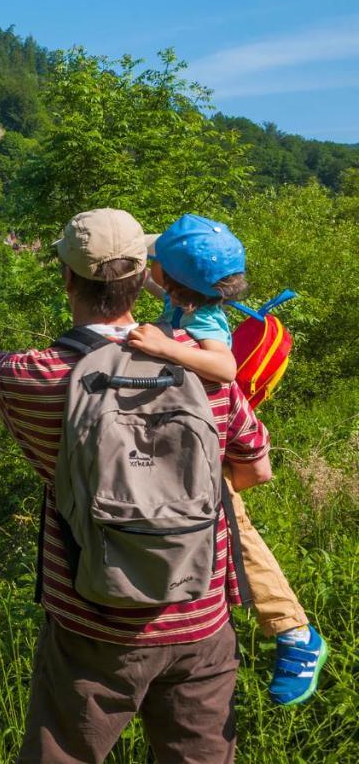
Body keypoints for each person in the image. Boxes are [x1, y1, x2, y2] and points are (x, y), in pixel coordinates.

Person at [0, 208, 272, 763]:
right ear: (145, 278)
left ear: (68, 278)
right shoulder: (206, 373)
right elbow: (257, 468)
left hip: (94, 621)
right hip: (201, 616)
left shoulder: (34, 379)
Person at [127, 214, 327, 706]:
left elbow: (224, 366)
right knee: (230, 528)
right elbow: (159, 288)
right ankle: (285, 631)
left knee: (236, 528)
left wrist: (160, 346)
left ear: (176, 284)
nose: (153, 274)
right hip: (197, 441)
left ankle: (297, 636)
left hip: (204, 440)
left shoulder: (204, 320)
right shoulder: (185, 301)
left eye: (158, 269)